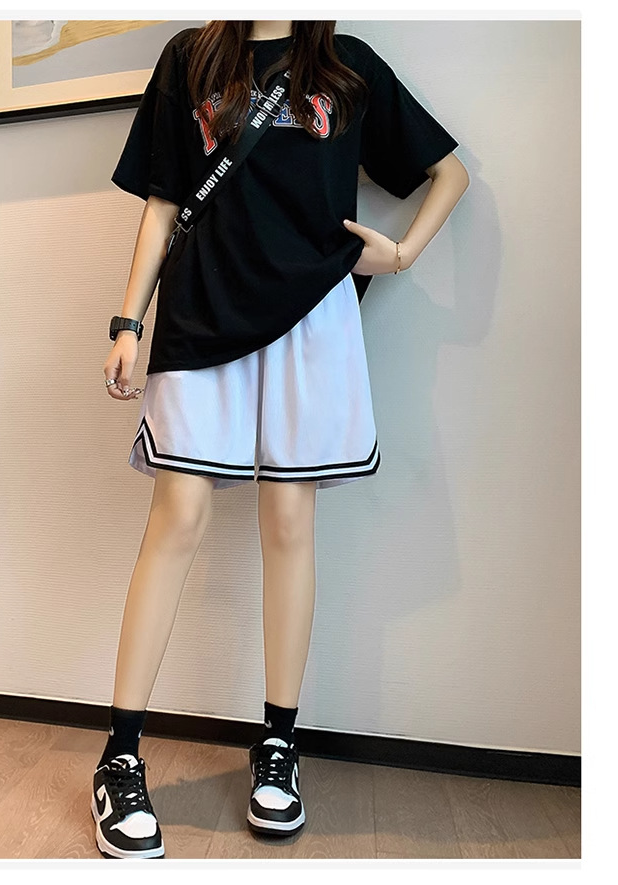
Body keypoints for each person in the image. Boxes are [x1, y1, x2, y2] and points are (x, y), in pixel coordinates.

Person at [93, 20, 469, 859]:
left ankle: (277, 744)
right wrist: (128, 320)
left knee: (291, 525)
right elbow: (163, 200)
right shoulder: (191, 57)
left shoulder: (347, 66)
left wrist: (401, 253)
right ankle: (120, 755)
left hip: (311, 320)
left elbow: (449, 172)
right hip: (202, 308)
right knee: (176, 519)